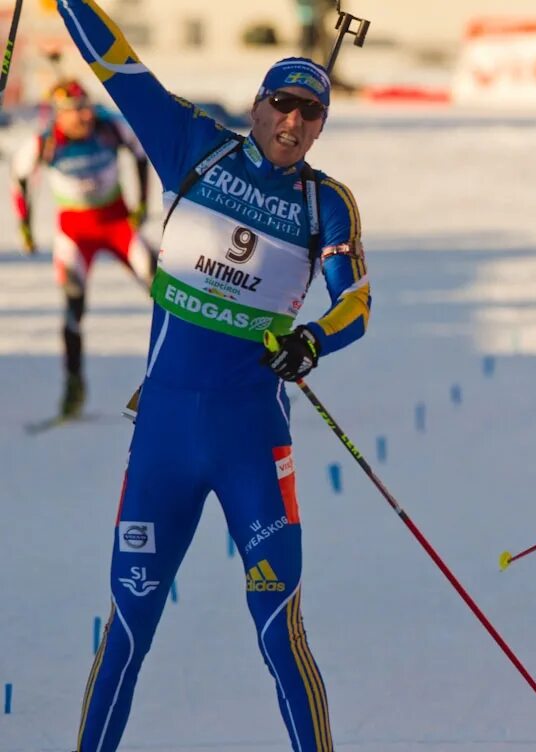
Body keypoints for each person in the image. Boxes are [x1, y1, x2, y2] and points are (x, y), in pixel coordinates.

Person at [56, 1, 371, 750]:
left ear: (321, 125)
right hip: (163, 439)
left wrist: (312, 342)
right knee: (126, 633)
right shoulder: (194, 146)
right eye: (282, 105)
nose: (293, 122)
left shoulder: (324, 203)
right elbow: (118, 66)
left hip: (251, 447)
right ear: (257, 104)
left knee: (278, 632)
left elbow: (355, 303)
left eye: (311, 113)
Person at [11, 78, 153, 418]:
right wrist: (26, 226)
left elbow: (140, 155)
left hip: (117, 223)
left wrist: (142, 204)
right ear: (59, 115)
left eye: (86, 109)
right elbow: (20, 178)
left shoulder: (108, 129)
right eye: (75, 112)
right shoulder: (46, 142)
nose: (84, 118)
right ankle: (74, 388)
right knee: (74, 307)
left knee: (167, 294)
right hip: (75, 232)